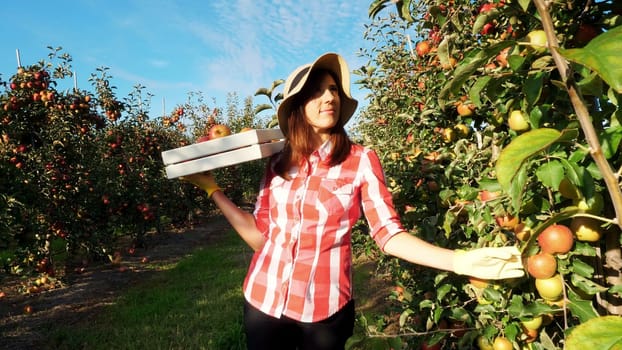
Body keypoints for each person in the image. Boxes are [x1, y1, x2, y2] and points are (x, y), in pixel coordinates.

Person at [182, 52, 524, 350]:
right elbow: (260, 237)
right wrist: (213, 190)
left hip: (324, 309)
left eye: (333, 89)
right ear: (298, 107)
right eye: (316, 91)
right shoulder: (278, 163)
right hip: (263, 301)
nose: (329, 96)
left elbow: (388, 234)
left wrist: (457, 261)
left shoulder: (360, 160)